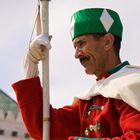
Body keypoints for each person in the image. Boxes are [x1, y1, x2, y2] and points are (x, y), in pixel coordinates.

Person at [12, 8, 140, 140]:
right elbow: (45, 128)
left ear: (107, 41)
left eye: (81, 43)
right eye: (75, 47)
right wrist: (30, 65)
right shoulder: (88, 100)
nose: (76, 54)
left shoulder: (132, 86)